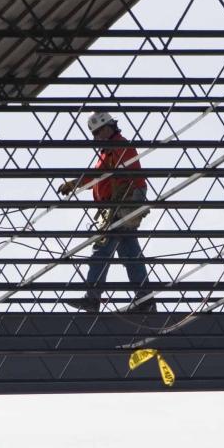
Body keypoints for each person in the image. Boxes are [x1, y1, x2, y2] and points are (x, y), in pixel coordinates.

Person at [57, 111, 155, 313]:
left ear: (109, 127)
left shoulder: (118, 146)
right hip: (119, 205)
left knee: (101, 250)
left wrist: (76, 183)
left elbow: (102, 175)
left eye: (99, 132)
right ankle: (145, 298)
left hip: (122, 204)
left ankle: (92, 298)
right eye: (94, 134)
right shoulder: (109, 151)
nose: (97, 137)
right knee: (129, 252)